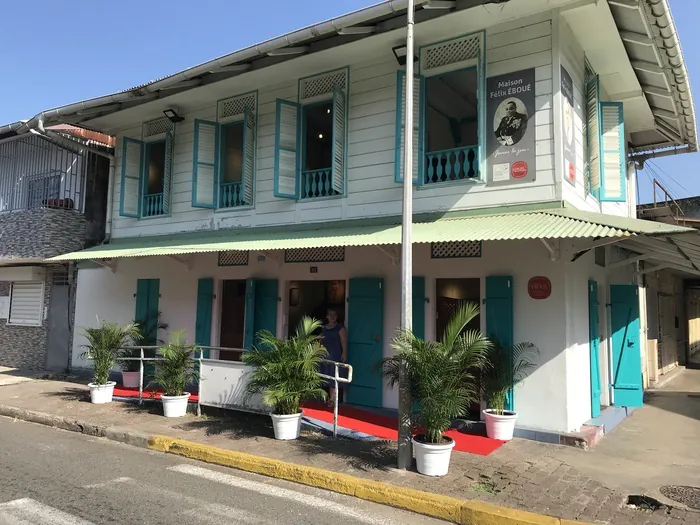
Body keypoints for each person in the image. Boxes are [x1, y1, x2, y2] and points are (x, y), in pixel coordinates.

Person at [320, 308, 347, 407]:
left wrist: (344, 353)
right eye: (330, 314)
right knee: (326, 375)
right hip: (325, 355)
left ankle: (332, 399)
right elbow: (320, 341)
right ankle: (329, 397)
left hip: (335, 354)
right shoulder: (323, 328)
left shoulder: (340, 328)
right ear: (327, 316)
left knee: (334, 375)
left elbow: (343, 341)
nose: (332, 317)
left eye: (334, 314)